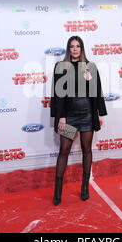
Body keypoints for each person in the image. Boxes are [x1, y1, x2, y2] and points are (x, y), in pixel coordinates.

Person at [50, 35, 107, 206]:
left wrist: (91, 80)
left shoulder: (90, 66)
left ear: (82, 48)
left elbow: (96, 92)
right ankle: (57, 191)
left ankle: (84, 187)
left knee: (86, 149)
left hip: (87, 115)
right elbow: (58, 94)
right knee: (64, 150)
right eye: (72, 46)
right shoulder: (61, 67)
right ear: (68, 49)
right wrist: (61, 116)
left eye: (78, 46)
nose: (75, 49)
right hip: (69, 116)